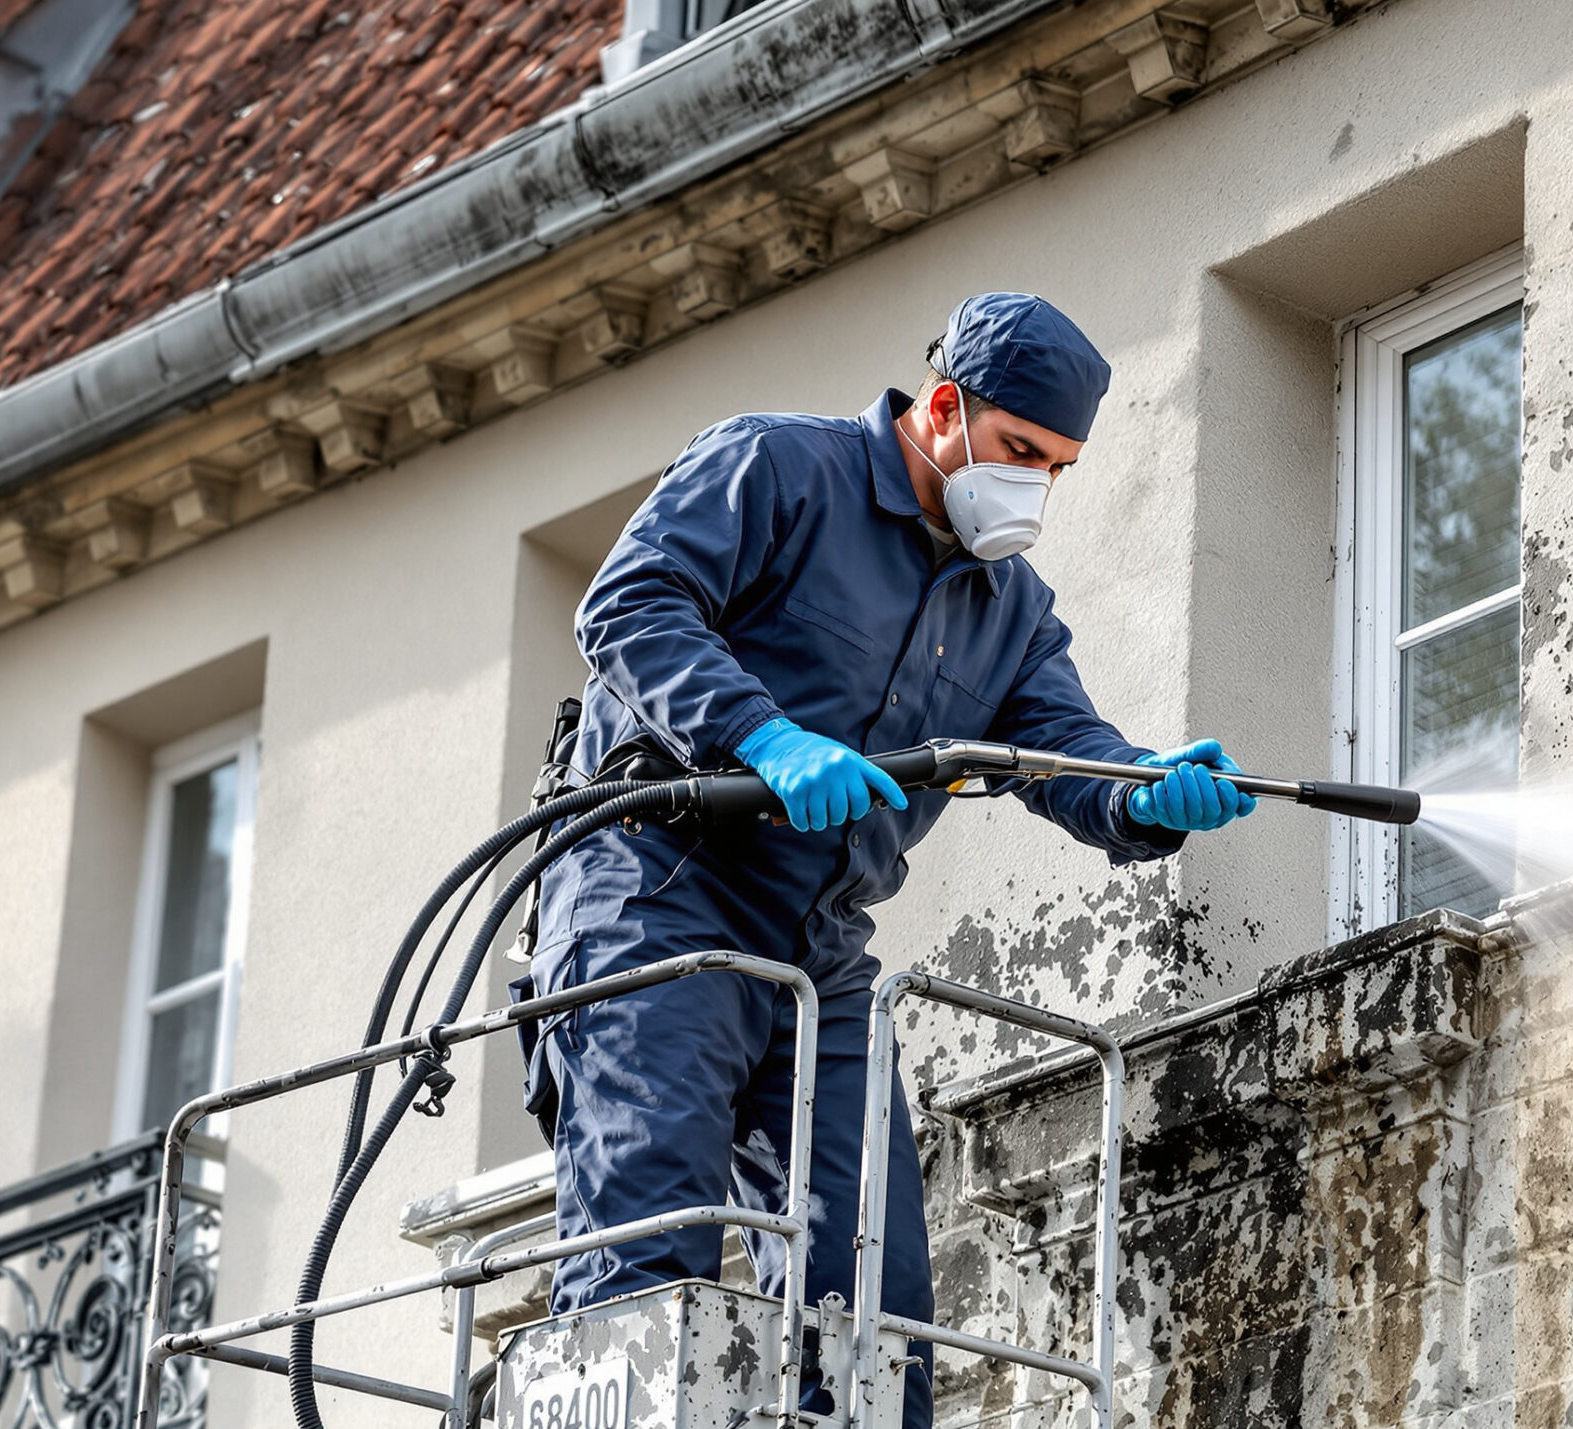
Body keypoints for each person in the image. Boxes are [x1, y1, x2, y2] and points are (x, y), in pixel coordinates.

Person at [521, 293, 1255, 1426]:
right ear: (945, 406)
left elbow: (1063, 751)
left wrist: (1146, 792)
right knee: (649, 1248)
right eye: (1019, 450)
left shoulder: (1008, 608)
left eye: (1057, 468)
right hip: (655, 898)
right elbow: (630, 602)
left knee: (874, 1299)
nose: (1034, 486)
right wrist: (764, 737)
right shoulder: (777, 468)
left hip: (818, 950)